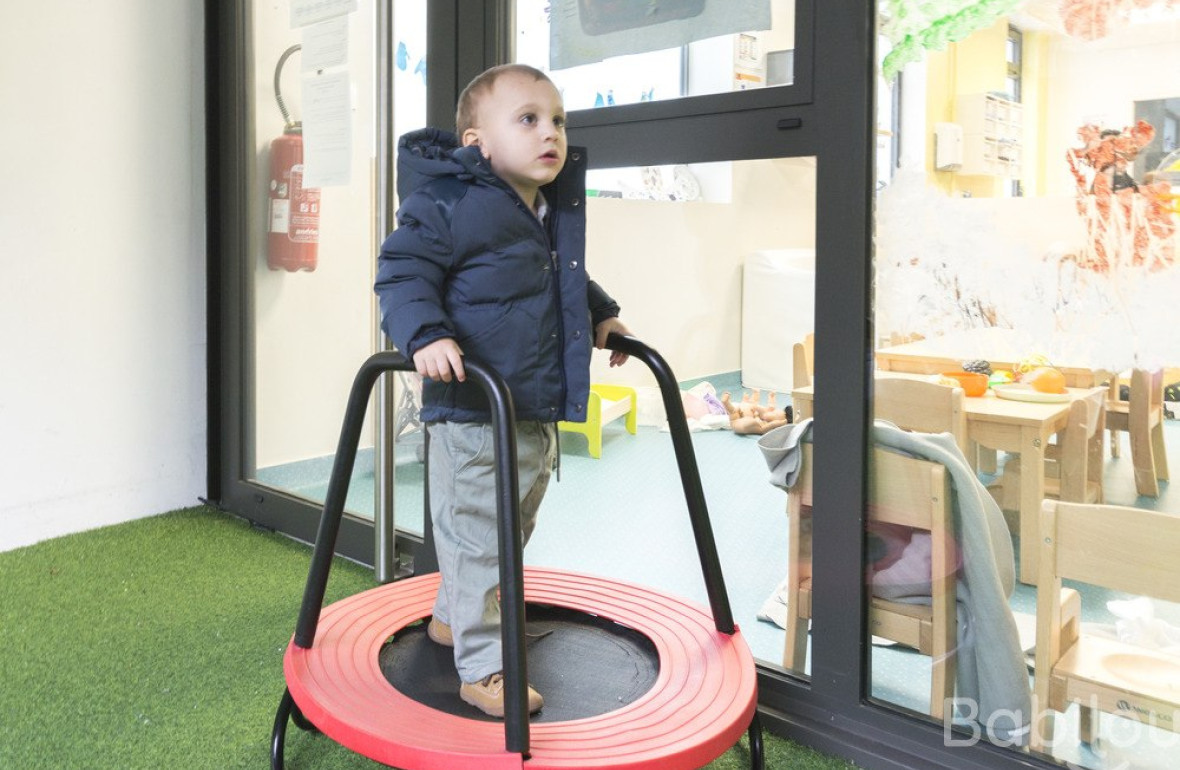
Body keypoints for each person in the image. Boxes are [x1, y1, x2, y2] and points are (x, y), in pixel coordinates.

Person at [374, 63, 630, 718]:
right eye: (528, 119)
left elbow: (561, 277)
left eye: (558, 121)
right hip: (471, 411)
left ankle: (448, 619)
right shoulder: (451, 203)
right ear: (477, 142)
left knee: (507, 529)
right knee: (478, 536)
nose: (551, 133)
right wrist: (425, 334)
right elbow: (401, 272)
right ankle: (484, 668)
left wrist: (601, 313)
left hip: (534, 409)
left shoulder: (543, 210)